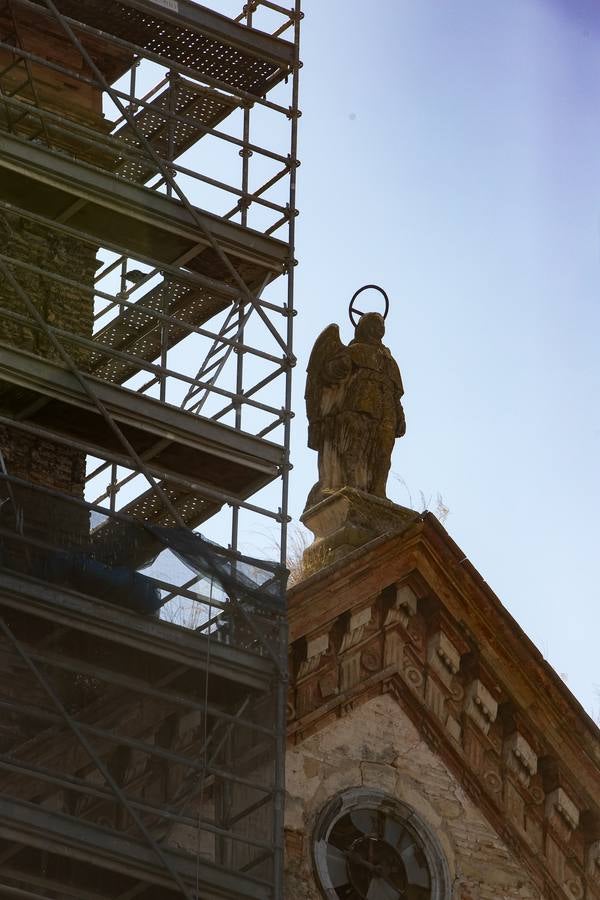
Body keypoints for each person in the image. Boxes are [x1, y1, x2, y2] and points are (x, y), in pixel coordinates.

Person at [305, 312, 405, 509]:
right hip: (358, 405)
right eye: (374, 324)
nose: (379, 328)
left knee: (383, 454)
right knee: (353, 448)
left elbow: (396, 394)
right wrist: (339, 366)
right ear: (364, 327)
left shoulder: (390, 362)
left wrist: (400, 415)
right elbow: (327, 373)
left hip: (386, 411)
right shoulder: (354, 351)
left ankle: (378, 491)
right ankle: (350, 485)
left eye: (381, 325)